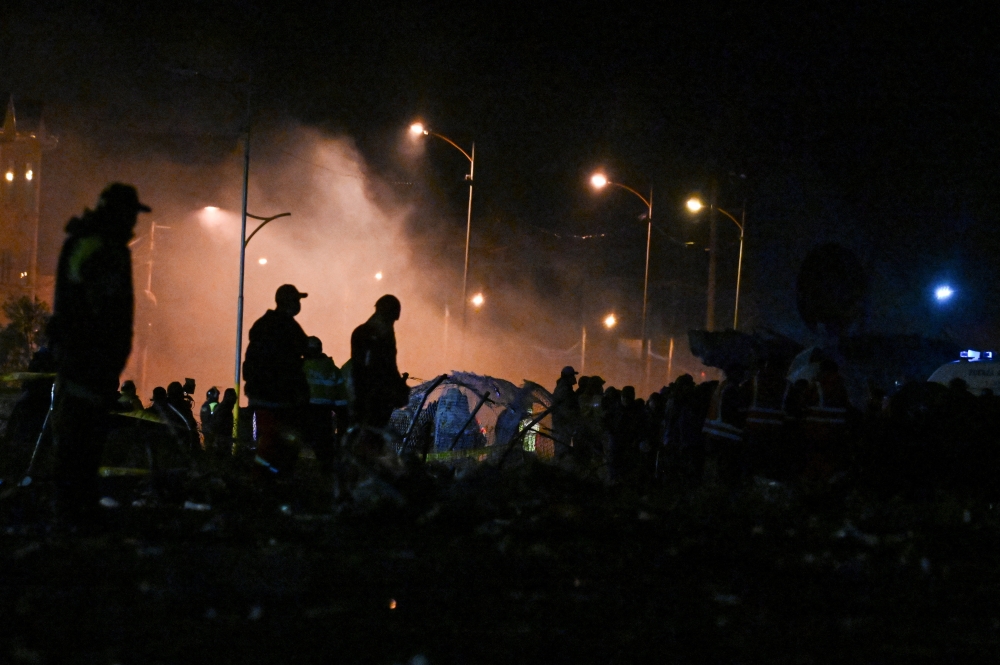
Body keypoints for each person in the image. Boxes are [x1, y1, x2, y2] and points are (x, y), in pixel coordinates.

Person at [47, 183, 149, 524]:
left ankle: (78, 507)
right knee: (80, 435)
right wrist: (95, 352)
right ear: (117, 213)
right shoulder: (97, 247)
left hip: (92, 360)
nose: (134, 223)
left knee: (86, 435)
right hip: (87, 359)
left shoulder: (97, 244)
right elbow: (95, 305)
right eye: (131, 214)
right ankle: (71, 512)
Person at [243, 284, 310, 477]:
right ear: (288, 302)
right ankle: (263, 478)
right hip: (277, 397)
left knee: (273, 440)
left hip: (264, 394)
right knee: (279, 441)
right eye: (296, 300)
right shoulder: (286, 325)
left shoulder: (264, 324)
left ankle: (266, 477)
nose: (298, 304)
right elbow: (302, 349)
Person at [350, 294, 409, 430]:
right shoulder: (368, 334)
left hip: (377, 399)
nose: (392, 325)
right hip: (370, 400)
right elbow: (367, 369)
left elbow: (389, 366)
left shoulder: (382, 335)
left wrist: (398, 387)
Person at [302, 336, 347, 472]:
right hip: (326, 412)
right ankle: (326, 469)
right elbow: (341, 396)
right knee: (324, 443)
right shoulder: (332, 369)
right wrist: (342, 416)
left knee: (304, 441)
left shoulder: (302, 367)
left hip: (306, 410)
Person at [551, 366, 579, 460]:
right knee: (562, 447)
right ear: (568, 377)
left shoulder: (564, 388)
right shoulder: (564, 390)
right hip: (563, 424)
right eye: (572, 376)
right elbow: (566, 408)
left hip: (562, 423)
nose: (574, 378)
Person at [199, 387, 221, 453]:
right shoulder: (215, 405)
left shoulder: (204, 405)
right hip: (213, 431)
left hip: (205, 428)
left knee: (207, 446)